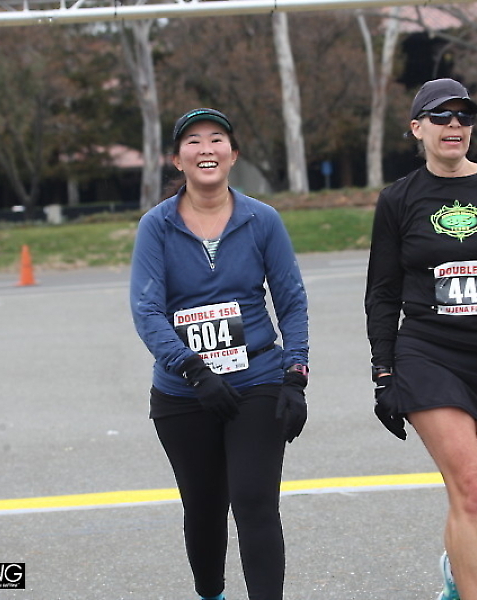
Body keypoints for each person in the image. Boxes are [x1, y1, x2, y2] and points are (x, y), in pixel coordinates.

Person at [364, 79, 477, 600]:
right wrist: (383, 373)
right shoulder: (398, 199)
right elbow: (383, 293)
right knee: (470, 487)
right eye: (440, 116)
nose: (454, 125)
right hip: (428, 355)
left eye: (464, 116)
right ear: (416, 128)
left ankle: (456, 572)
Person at [130, 107, 309, 600]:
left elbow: (291, 300)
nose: (205, 148)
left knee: (254, 502)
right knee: (205, 508)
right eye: (193, 141)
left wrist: (295, 374)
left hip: (257, 381)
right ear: (177, 160)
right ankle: (212, 595)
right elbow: (147, 310)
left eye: (216, 139)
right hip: (184, 391)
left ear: (233, 155)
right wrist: (193, 369)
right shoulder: (156, 226)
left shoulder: (262, 220)